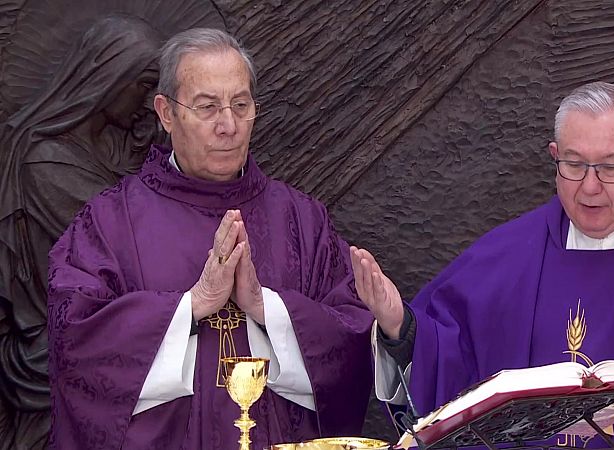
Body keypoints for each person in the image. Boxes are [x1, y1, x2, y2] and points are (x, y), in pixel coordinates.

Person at [351, 82, 614, 449]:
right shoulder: (507, 256)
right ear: (555, 157)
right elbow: (449, 361)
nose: (589, 187)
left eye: (611, 167)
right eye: (573, 165)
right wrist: (400, 329)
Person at [47, 28, 373, 449]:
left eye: (241, 105)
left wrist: (267, 308)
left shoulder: (301, 219)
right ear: (166, 113)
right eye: (207, 108)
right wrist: (192, 305)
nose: (229, 126)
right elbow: (74, 344)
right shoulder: (109, 222)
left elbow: (351, 340)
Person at [0, 15, 161, 449]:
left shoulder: (102, 151)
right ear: (109, 77)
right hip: (64, 348)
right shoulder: (47, 163)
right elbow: (127, 242)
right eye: (143, 85)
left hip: (115, 338)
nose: (148, 102)